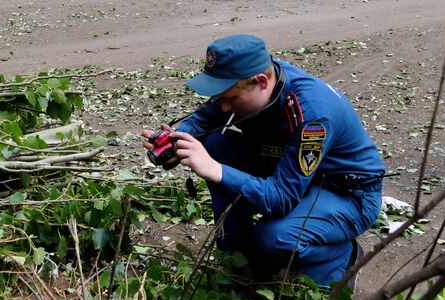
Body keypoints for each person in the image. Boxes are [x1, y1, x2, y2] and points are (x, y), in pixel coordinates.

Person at [142, 34, 385, 287]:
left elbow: (280, 198)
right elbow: (205, 118)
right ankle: (238, 257)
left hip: (346, 193)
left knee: (276, 237)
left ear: (260, 82)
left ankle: (341, 260)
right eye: (220, 96)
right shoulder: (253, 80)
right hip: (293, 171)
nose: (223, 107)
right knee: (213, 144)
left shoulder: (313, 116)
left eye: (230, 98)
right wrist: (176, 141)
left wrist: (215, 169)